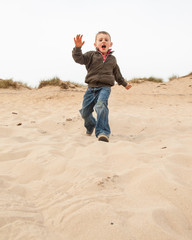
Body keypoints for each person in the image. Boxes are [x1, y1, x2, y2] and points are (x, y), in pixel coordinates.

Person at [72, 31, 132, 142]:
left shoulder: (112, 59)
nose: (103, 41)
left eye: (106, 40)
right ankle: (91, 126)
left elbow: (117, 74)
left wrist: (124, 84)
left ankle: (103, 132)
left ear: (110, 44)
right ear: (95, 44)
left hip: (105, 88)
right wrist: (77, 48)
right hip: (91, 88)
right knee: (85, 112)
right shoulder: (90, 55)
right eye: (100, 40)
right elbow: (79, 59)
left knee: (100, 106)